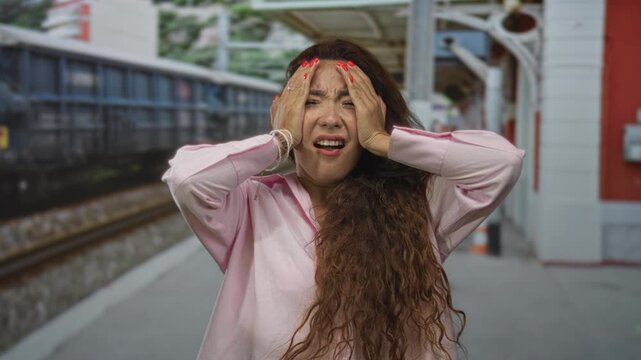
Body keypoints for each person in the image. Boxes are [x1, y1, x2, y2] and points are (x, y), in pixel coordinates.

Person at [162, 39, 524, 360]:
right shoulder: (250, 206)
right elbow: (187, 178)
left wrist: (384, 141)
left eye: (350, 103)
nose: (331, 118)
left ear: (374, 113)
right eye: (311, 101)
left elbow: (501, 163)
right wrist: (280, 139)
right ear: (284, 109)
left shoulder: (419, 203)